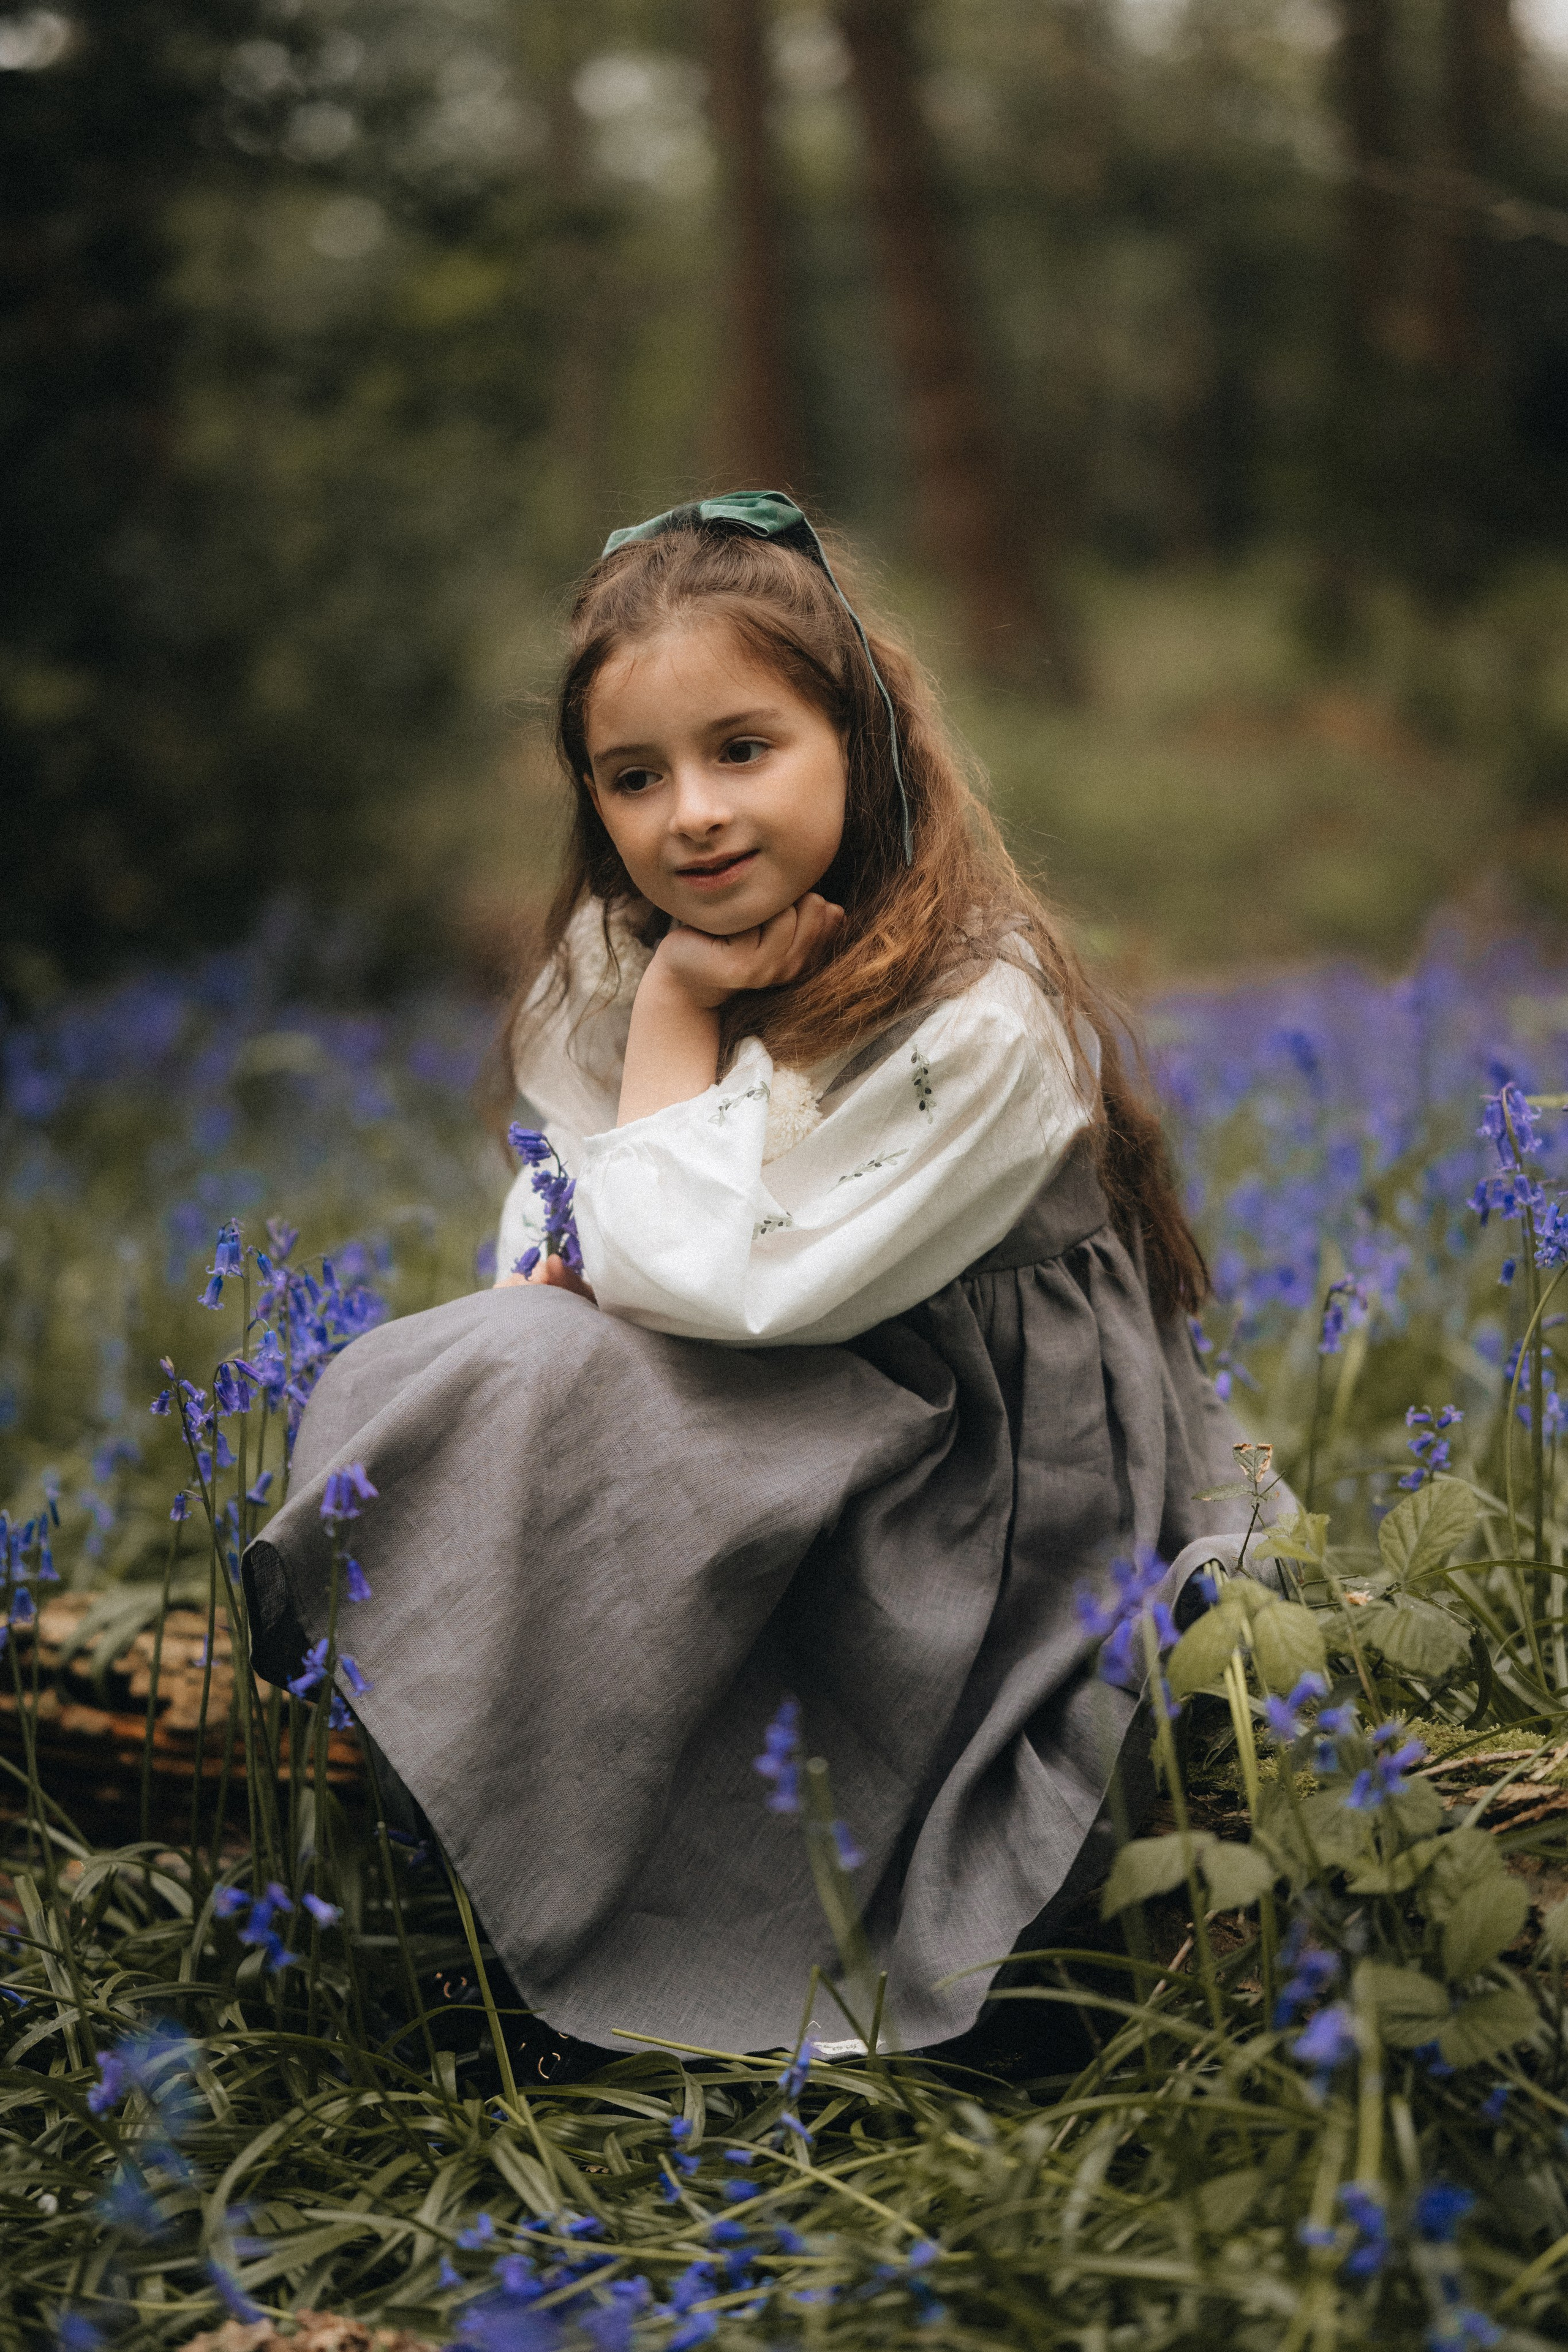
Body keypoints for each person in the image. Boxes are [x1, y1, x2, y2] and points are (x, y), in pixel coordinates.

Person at [244, 492, 1257, 2070]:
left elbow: (701, 1287)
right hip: (799, 1393)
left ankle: (699, 1924)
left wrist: (681, 1018)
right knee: (474, 1361)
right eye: (635, 777)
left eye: (743, 749)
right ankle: (468, 1843)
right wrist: (661, 1019)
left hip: (980, 1488)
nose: (693, 816)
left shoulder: (977, 1015)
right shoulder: (628, 954)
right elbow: (561, 1233)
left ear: (859, 738)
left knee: (529, 1361)